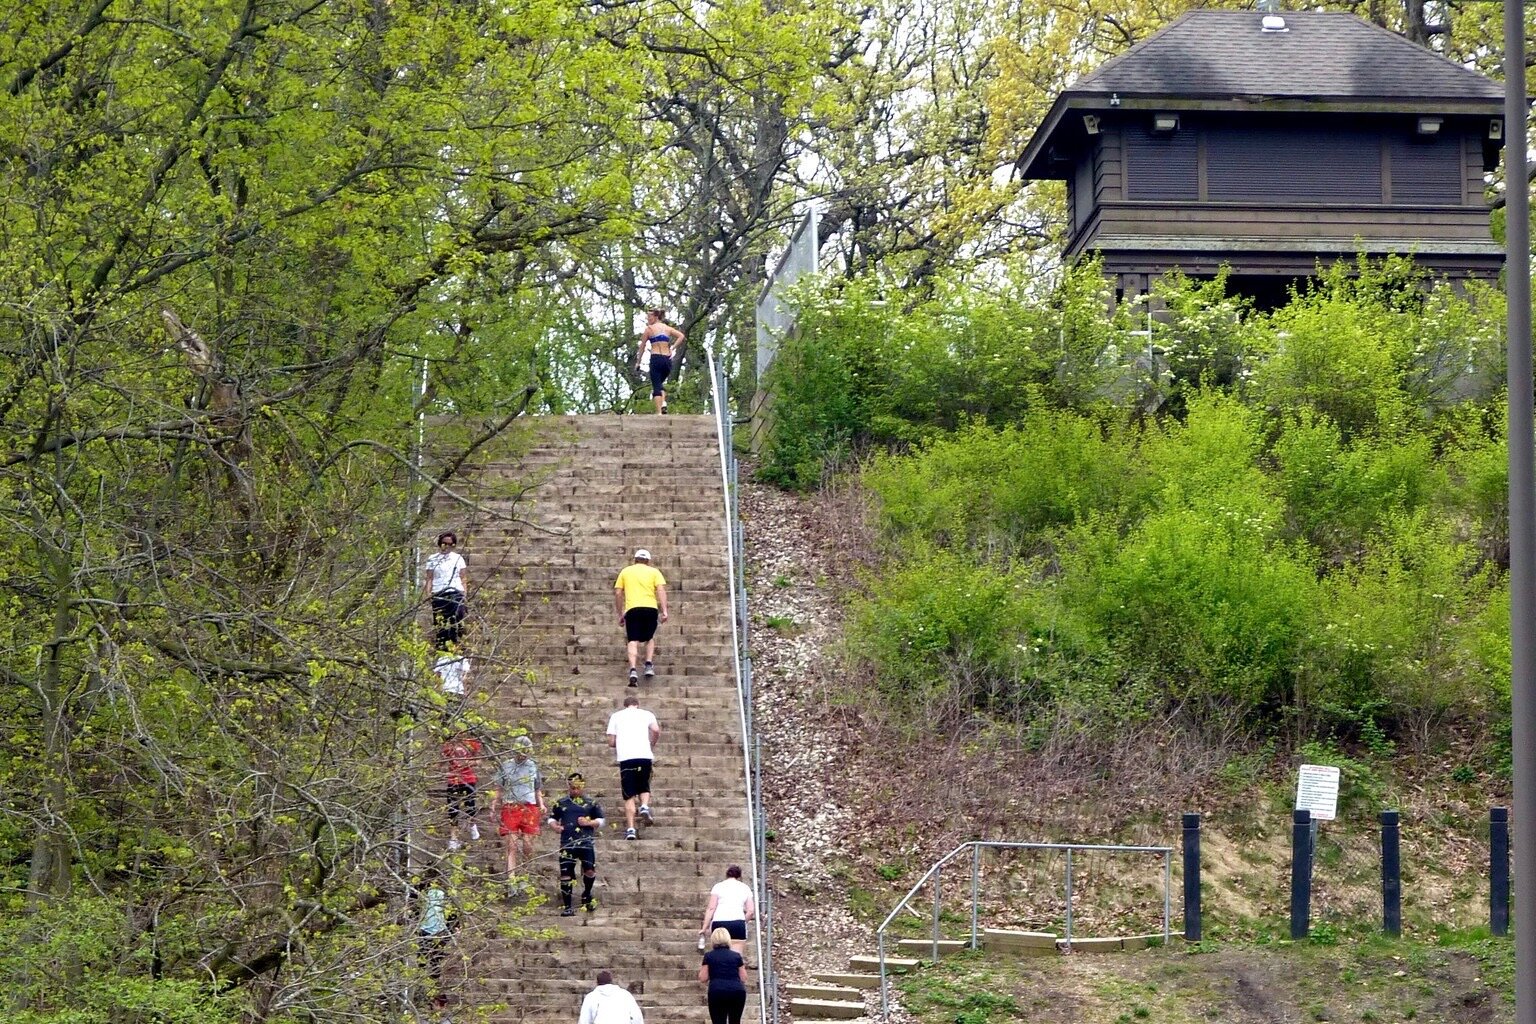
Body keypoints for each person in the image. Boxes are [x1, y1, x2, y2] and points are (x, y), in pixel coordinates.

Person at [488, 735, 544, 893]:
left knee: (527, 843)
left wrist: (541, 804)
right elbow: (498, 787)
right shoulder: (505, 766)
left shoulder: (533, 766)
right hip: (510, 805)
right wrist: (493, 805)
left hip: (529, 805)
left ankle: (524, 874)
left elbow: (537, 788)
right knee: (511, 844)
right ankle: (511, 878)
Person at [548, 772, 605, 916]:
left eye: (578, 787)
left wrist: (589, 822)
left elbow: (601, 820)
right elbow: (552, 818)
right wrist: (555, 826)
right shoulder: (561, 803)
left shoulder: (591, 803)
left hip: (586, 842)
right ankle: (568, 906)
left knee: (589, 870)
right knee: (565, 874)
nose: (575, 790)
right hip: (567, 843)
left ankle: (587, 894)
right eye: (572, 787)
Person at [605, 693, 660, 839]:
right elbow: (655, 730)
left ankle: (631, 829)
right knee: (644, 785)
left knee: (628, 794)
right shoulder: (647, 714)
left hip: (626, 758)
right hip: (644, 755)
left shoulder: (616, 716)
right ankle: (644, 806)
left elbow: (611, 741)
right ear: (637, 704)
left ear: (625, 705)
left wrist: (622, 742)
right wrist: (652, 743)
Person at [613, 549, 668, 686]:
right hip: (650, 608)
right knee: (649, 637)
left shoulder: (625, 572)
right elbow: (661, 590)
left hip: (633, 609)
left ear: (635, 559)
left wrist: (620, 614)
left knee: (633, 639)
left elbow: (618, 593)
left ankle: (633, 669)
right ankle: (648, 664)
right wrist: (665, 610)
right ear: (648, 561)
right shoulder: (654, 572)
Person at [634, 309, 685, 415]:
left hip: (656, 359)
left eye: (650, 317)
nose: (648, 319)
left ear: (656, 317)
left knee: (656, 386)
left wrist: (638, 362)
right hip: (667, 360)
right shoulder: (667, 328)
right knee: (659, 384)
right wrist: (672, 348)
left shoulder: (649, 329)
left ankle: (659, 413)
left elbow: (642, 347)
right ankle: (664, 403)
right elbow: (681, 336)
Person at [698, 865, 755, 956]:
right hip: (738, 922)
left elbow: (711, 908)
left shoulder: (718, 887)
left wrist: (704, 927)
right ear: (739, 876)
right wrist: (743, 922)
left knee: (719, 955)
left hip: (719, 922)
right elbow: (751, 911)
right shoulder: (745, 888)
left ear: (727, 875)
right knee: (737, 957)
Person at [423, 532, 468, 646]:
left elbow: (463, 577)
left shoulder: (458, 558)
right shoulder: (433, 559)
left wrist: (464, 594)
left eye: (450, 544)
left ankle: (455, 647)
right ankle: (442, 648)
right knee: (441, 622)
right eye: (444, 543)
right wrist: (428, 593)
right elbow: (429, 578)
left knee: (456, 621)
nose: (447, 546)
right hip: (439, 593)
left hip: (455, 592)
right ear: (440, 544)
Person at [442, 731, 483, 850]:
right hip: (453, 780)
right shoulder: (448, 745)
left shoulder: (471, 743)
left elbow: (480, 760)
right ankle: (453, 837)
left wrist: (469, 762)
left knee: (470, 805)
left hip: (468, 778)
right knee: (453, 809)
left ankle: (472, 825)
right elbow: (441, 761)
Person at [697, 927, 747, 1024]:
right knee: (735, 1021)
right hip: (737, 991)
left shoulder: (709, 956)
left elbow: (703, 978)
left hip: (717, 991)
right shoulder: (736, 956)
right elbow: (744, 977)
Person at [418, 869, 452, 991]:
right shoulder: (444, 892)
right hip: (435, 929)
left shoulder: (442, 892)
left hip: (433, 928)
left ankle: (429, 981)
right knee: (432, 957)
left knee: (428, 957)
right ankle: (427, 981)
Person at [577, 970, 644, 1024]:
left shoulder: (591, 997)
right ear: (611, 981)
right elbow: (636, 1017)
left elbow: (584, 1020)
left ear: (597, 982)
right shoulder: (625, 995)